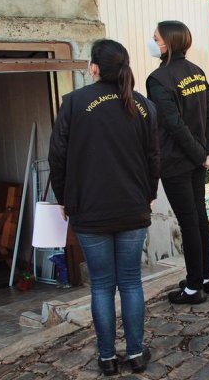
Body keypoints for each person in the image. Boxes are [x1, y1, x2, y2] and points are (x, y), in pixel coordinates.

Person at [49, 39, 159, 376]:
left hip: (89, 209)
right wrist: (149, 194)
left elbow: (57, 156)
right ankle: (137, 354)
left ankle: (108, 358)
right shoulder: (143, 106)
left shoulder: (73, 103)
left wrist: (64, 198)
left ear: (94, 67)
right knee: (130, 282)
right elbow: (154, 156)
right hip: (132, 207)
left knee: (101, 285)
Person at [146, 20, 209, 305]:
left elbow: (173, 125)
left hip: (178, 161)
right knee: (199, 217)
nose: (152, 42)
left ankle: (193, 288)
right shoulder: (197, 73)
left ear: (168, 43)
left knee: (190, 221)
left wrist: (203, 155)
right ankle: (204, 277)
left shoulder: (159, 79)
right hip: (196, 158)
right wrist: (208, 153)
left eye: (155, 38)